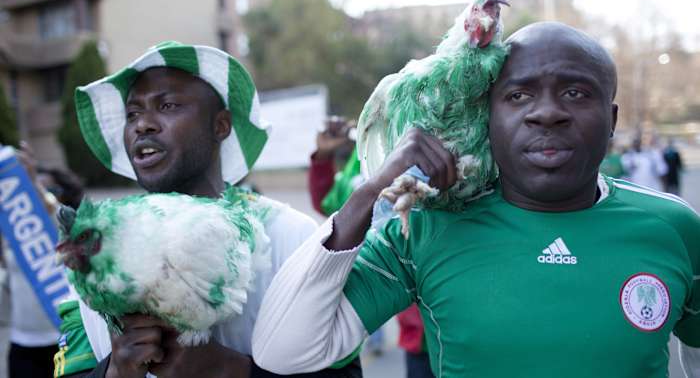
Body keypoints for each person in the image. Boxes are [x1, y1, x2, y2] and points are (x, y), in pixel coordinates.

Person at [252, 22, 700, 377]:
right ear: (489, 118)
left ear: (612, 119)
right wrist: (372, 190)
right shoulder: (424, 230)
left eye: (576, 92)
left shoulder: (675, 227)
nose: (547, 112)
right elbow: (282, 352)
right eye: (519, 94)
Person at [52, 42, 361, 378]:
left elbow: (344, 372)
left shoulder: (292, 237)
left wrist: (229, 370)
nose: (142, 125)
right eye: (132, 114)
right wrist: (115, 371)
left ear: (221, 126)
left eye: (167, 105)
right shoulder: (96, 252)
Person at [308, 118, 433, 377]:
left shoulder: (435, 149)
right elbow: (331, 204)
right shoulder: (363, 160)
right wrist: (323, 157)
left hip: (465, 326)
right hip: (416, 335)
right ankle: (373, 340)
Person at [1, 142, 69, 378]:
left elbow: (63, 219)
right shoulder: (15, 235)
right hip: (23, 345)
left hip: (64, 341)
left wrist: (32, 184)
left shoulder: (65, 231)